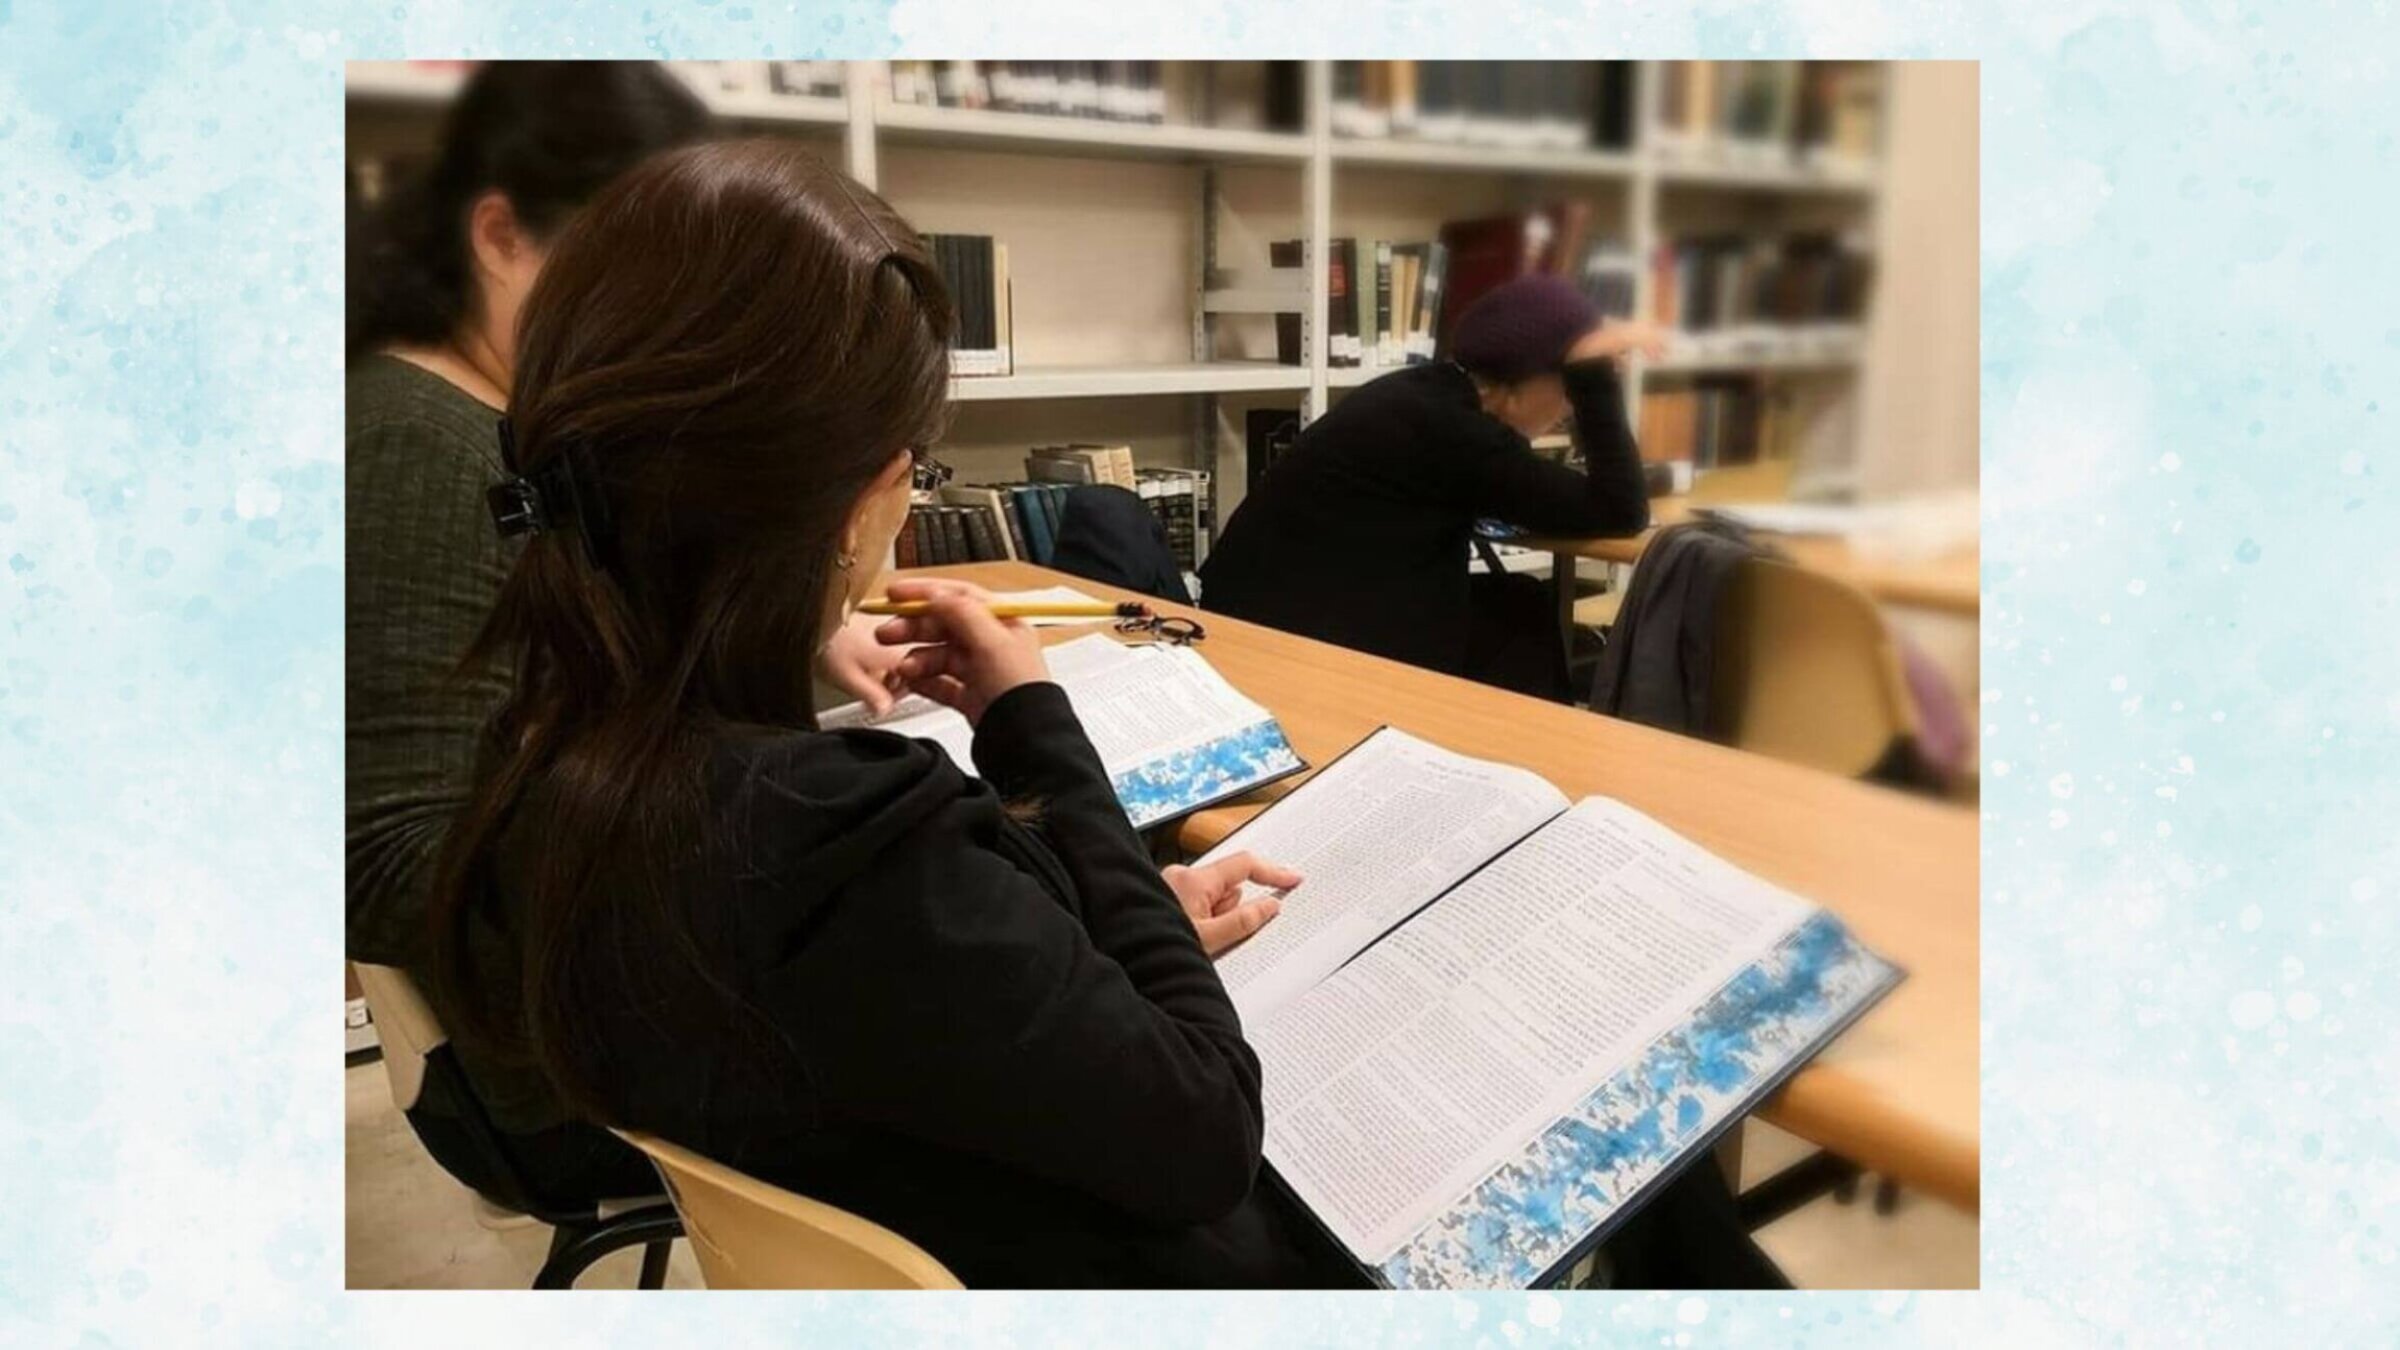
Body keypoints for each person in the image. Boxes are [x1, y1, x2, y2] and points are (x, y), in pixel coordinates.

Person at [423, 138, 1359, 1288]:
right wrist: (1035, 722)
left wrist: (1090, 937)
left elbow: (908, 1001)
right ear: (872, 493)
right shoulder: (848, 840)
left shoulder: (553, 764)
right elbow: (1211, 1131)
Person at [1199, 275, 1660, 678]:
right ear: (1521, 386)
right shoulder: (1459, 435)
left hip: (1257, 619)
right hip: (1299, 650)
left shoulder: (1424, 395)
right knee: (1520, 622)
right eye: (1568, 391)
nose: (1568, 410)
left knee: (1519, 606)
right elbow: (1621, 508)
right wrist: (1595, 377)